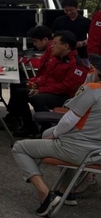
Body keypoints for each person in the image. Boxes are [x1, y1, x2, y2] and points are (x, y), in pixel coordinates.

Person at [11, 53, 101, 216]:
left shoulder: (92, 90)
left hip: (78, 149)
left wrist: (56, 135)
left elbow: (69, 119)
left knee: (20, 147)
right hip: (97, 151)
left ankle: (45, 194)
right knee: (49, 132)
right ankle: (66, 190)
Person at [3, 30, 89, 138]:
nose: (52, 46)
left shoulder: (76, 65)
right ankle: (29, 126)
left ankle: (46, 129)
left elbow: (66, 87)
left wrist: (41, 90)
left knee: (37, 98)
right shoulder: (57, 59)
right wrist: (35, 84)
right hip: (52, 91)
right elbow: (47, 76)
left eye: (55, 43)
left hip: (65, 97)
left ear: (65, 46)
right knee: (19, 92)